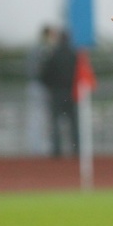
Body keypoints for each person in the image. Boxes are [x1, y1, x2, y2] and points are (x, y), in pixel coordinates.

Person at [38, 26, 79, 157]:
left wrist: (50, 86)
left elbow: (44, 74)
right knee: (74, 123)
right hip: (71, 92)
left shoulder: (53, 54)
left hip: (56, 92)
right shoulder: (74, 55)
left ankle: (57, 151)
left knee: (55, 122)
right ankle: (76, 150)